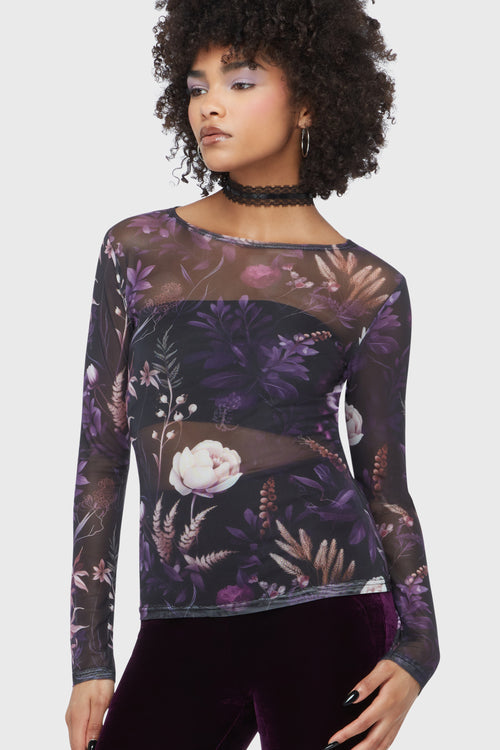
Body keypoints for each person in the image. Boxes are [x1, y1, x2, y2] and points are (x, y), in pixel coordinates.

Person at [65, 1, 440, 749]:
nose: (209, 105)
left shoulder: (368, 286)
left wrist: (419, 648)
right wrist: (90, 657)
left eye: (239, 83)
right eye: (197, 85)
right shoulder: (138, 250)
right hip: (179, 620)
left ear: (310, 100)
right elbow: (101, 459)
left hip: (331, 608)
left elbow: (383, 483)